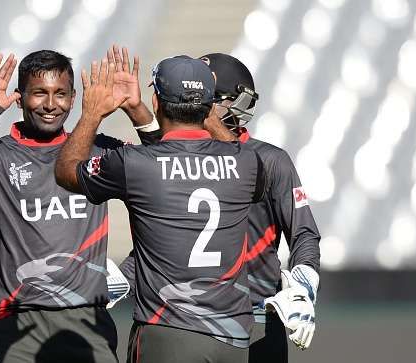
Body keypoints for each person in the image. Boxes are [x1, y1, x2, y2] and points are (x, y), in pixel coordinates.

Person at [0, 47, 153, 363]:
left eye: (60, 94)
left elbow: (167, 184)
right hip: (17, 325)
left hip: (87, 322)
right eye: (39, 93)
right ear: (20, 96)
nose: (49, 104)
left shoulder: (99, 151)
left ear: (74, 99)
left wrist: (138, 110)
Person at [55, 56, 267, 363]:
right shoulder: (246, 162)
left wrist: (91, 116)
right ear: (209, 108)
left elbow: (66, 172)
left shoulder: (135, 163)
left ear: (156, 101)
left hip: (167, 330)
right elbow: (237, 159)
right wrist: (208, 117)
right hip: (232, 338)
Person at [119, 53, 322, 361]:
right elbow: (160, 157)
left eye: (203, 94)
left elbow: (305, 234)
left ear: (229, 104)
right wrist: (136, 110)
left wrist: (304, 287)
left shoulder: (270, 160)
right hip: (184, 315)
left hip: (254, 317)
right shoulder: (179, 155)